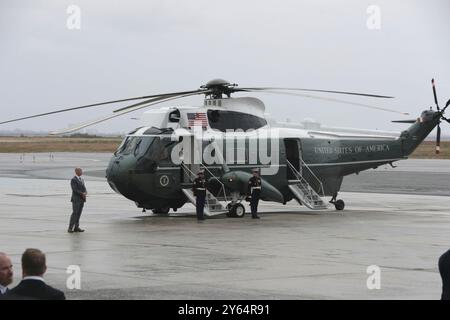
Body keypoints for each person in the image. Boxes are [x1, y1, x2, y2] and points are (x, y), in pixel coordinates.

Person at [68, 167, 87, 233]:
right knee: (75, 213)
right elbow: (74, 189)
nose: (81, 172)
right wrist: (82, 193)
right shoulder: (73, 180)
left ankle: (76, 227)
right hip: (76, 199)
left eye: (81, 171)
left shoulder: (81, 179)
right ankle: (70, 228)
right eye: (80, 171)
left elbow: (84, 188)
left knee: (79, 214)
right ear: (76, 172)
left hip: (82, 199)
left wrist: (85, 192)